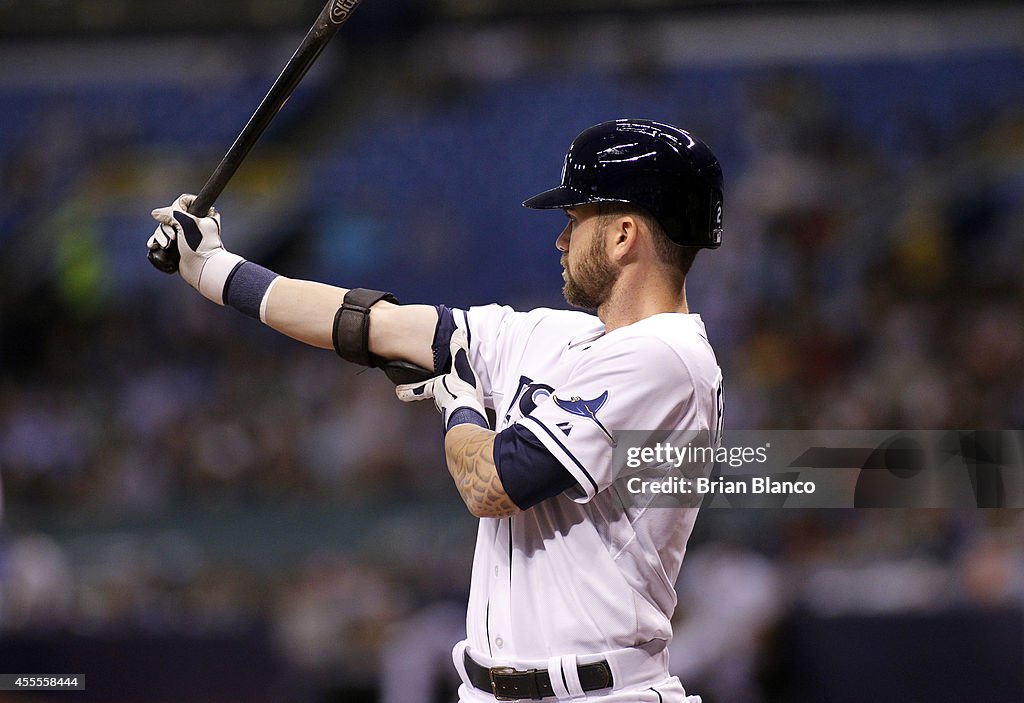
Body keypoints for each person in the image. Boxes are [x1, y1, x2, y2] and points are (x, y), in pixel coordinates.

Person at [147, 118, 725, 702]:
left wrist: (460, 407)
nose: (560, 240)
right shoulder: (557, 335)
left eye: (575, 222)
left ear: (624, 235)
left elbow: (495, 484)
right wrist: (216, 270)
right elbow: (374, 325)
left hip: (601, 694)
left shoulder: (669, 358)